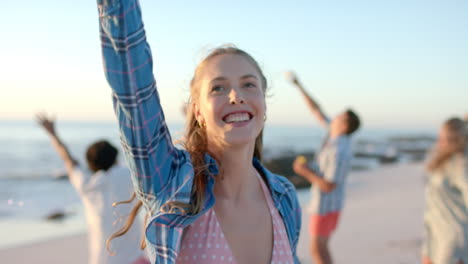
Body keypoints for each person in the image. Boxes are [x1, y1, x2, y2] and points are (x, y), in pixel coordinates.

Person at [95, 1, 302, 263]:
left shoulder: (284, 196)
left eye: (249, 84)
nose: (236, 95)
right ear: (198, 111)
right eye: (218, 88)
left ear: (263, 102)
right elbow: (133, 90)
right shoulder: (172, 183)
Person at [36, 113, 147, 264]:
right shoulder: (129, 176)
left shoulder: (86, 184)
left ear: (90, 164)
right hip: (134, 260)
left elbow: (68, 159)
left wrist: (53, 134)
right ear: (115, 159)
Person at [286, 72, 360, 264]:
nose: (334, 117)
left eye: (339, 117)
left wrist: (304, 171)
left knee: (317, 250)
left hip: (326, 206)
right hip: (331, 206)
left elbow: (329, 186)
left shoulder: (339, 150)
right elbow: (316, 110)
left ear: (344, 126)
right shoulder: (334, 136)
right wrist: (298, 85)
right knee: (321, 248)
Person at [422, 117, 467, 264]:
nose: (440, 141)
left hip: (453, 240)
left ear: (458, 139)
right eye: (440, 136)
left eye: (446, 138)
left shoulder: (460, 163)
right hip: (436, 236)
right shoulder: (442, 162)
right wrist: (427, 249)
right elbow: (431, 211)